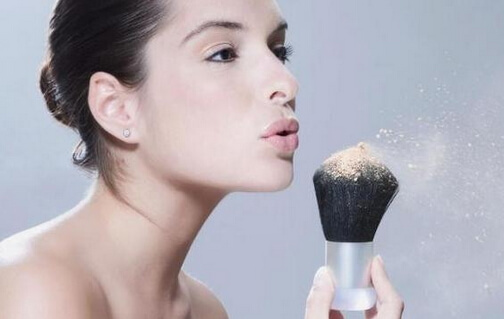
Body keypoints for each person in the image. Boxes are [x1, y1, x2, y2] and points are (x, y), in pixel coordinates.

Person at [0, 0, 404, 318]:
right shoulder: (34, 288)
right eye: (223, 54)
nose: (286, 82)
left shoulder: (205, 310)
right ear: (117, 107)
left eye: (279, 51)